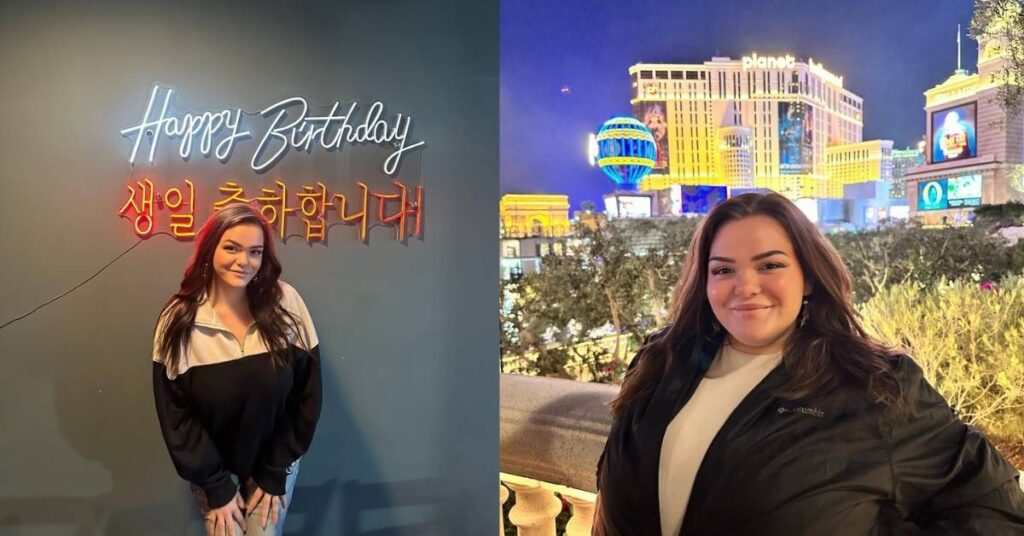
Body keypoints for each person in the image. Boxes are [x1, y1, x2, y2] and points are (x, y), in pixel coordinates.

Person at [594, 193, 1024, 535]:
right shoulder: (661, 361)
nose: (745, 286)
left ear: (809, 277)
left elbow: (994, 505)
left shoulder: (875, 386)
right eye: (723, 270)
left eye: (770, 265)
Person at [152, 203, 322, 536]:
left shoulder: (286, 303)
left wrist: (275, 470)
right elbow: (176, 416)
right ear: (209, 247)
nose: (244, 262)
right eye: (231, 248)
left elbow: (308, 395)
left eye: (255, 252)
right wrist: (215, 486)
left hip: (276, 461)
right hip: (213, 468)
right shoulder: (179, 319)